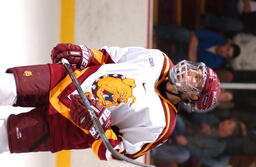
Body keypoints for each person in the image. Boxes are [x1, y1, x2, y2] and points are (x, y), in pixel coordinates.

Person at [0, 43, 220, 162]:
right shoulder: (159, 59)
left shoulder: (162, 125)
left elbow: (116, 152)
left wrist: (98, 127)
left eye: (196, 79)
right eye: (195, 70)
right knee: (4, 87)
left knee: (2, 136)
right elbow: (111, 56)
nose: (190, 72)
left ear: (193, 97)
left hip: (65, 126)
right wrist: (86, 55)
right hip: (65, 77)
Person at [151, 113, 244, 167]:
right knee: (177, 118)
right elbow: (197, 114)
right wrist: (202, 123)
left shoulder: (219, 147)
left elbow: (200, 154)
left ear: (229, 132)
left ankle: (152, 151)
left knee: (183, 156)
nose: (225, 121)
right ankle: (150, 121)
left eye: (229, 123)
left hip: (184, 146)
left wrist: (186, 143)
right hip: (183, 130)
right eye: (228, 121)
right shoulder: (214, 120)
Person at [154, 26, 241, 69]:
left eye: (227, 54)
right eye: (227, 49)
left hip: (185, 56)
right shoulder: (217, 37)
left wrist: (194, 45)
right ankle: (154, 31)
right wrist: (193, 53)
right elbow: (195, 34)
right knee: (184, 34)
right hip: (187, 42)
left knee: (182, 64)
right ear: (228, 44)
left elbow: (195, 65)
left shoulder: (216, 63)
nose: (224, 52)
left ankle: (155, 61)